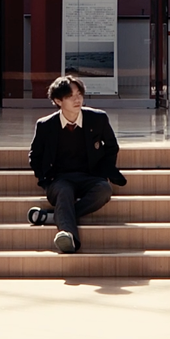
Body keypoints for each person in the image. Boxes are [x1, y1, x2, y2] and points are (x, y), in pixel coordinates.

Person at [25, 74, 125, 254]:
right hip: (60, 179)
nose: (77, 99)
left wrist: (105, 171)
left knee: (104, 190)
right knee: (64, 192)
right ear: (58, 100)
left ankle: (54, 217)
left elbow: (112, 147)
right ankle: (68, 237)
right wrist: (44, 179)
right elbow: (35, 155)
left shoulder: (97, 118)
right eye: (71, 96)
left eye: (79, 94)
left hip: (90, 177)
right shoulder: (46, 125)